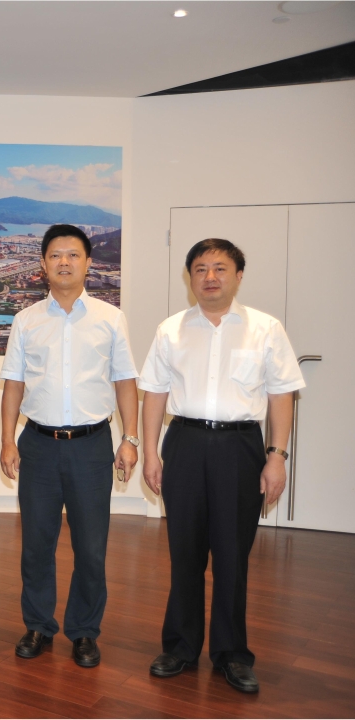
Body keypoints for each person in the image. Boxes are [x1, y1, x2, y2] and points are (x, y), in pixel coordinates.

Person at [139, 239, 304, 693]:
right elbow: (153, 393)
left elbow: (282, 394)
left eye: (220, 268)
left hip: (241, 447)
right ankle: (180, 646)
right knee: (184, 552)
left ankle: (232, 654)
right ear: (189, 277)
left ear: (238, 275)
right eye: (200, 269)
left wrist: (277, 456)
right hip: (186, 443)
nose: (209, 277)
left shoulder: (265, 329)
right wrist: (152, 452)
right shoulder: (170, 329)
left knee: (233, 555)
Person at [0, 223, 139, 668]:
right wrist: (7, 440)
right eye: (56, 255)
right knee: (36, 544)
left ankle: (83, 631)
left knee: (91, 546)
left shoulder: (110, 318)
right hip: (38, 445)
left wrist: (130, 439)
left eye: (73, 255)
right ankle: (38, 626)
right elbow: (13, 386)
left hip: (92, 445)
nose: (64, 262)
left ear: (87, 263)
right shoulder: (26, 320)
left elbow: (125, 382)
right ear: (43, 265)